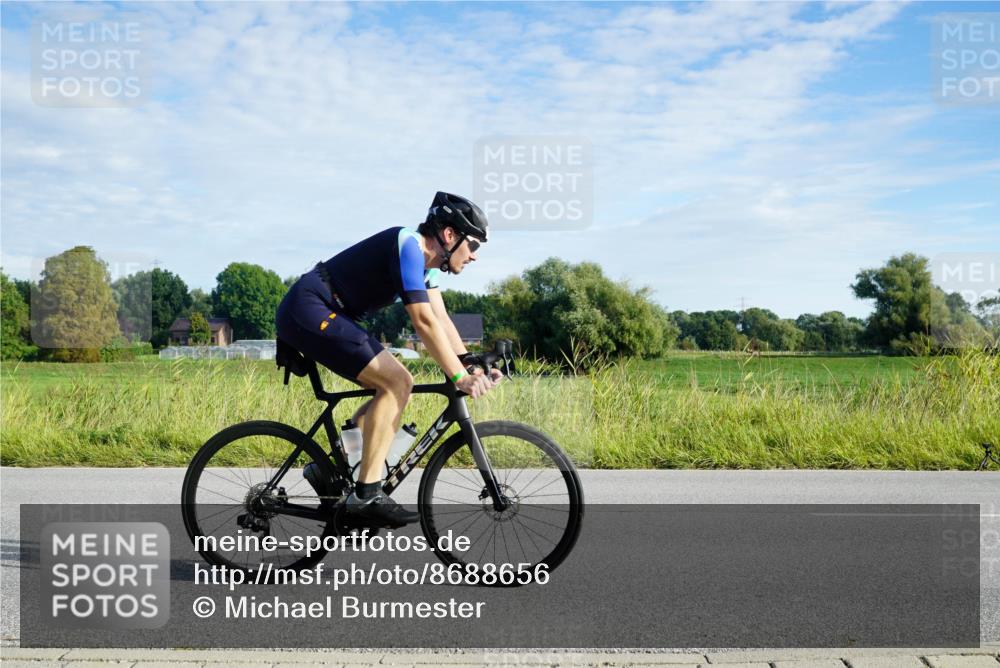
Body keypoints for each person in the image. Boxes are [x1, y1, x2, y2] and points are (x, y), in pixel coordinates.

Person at [275, 192, 503, 528]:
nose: (475, 257)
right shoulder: (408, 245)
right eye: (474, 245)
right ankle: (366, 494)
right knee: (397, 382)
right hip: (310, 307)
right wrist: (459, 378)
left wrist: (469, 363)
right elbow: (422, 322)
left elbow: (440, 319)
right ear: (450, 236)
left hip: (330, 311)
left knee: (395, 386)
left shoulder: (429, 268)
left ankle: (333, 469)